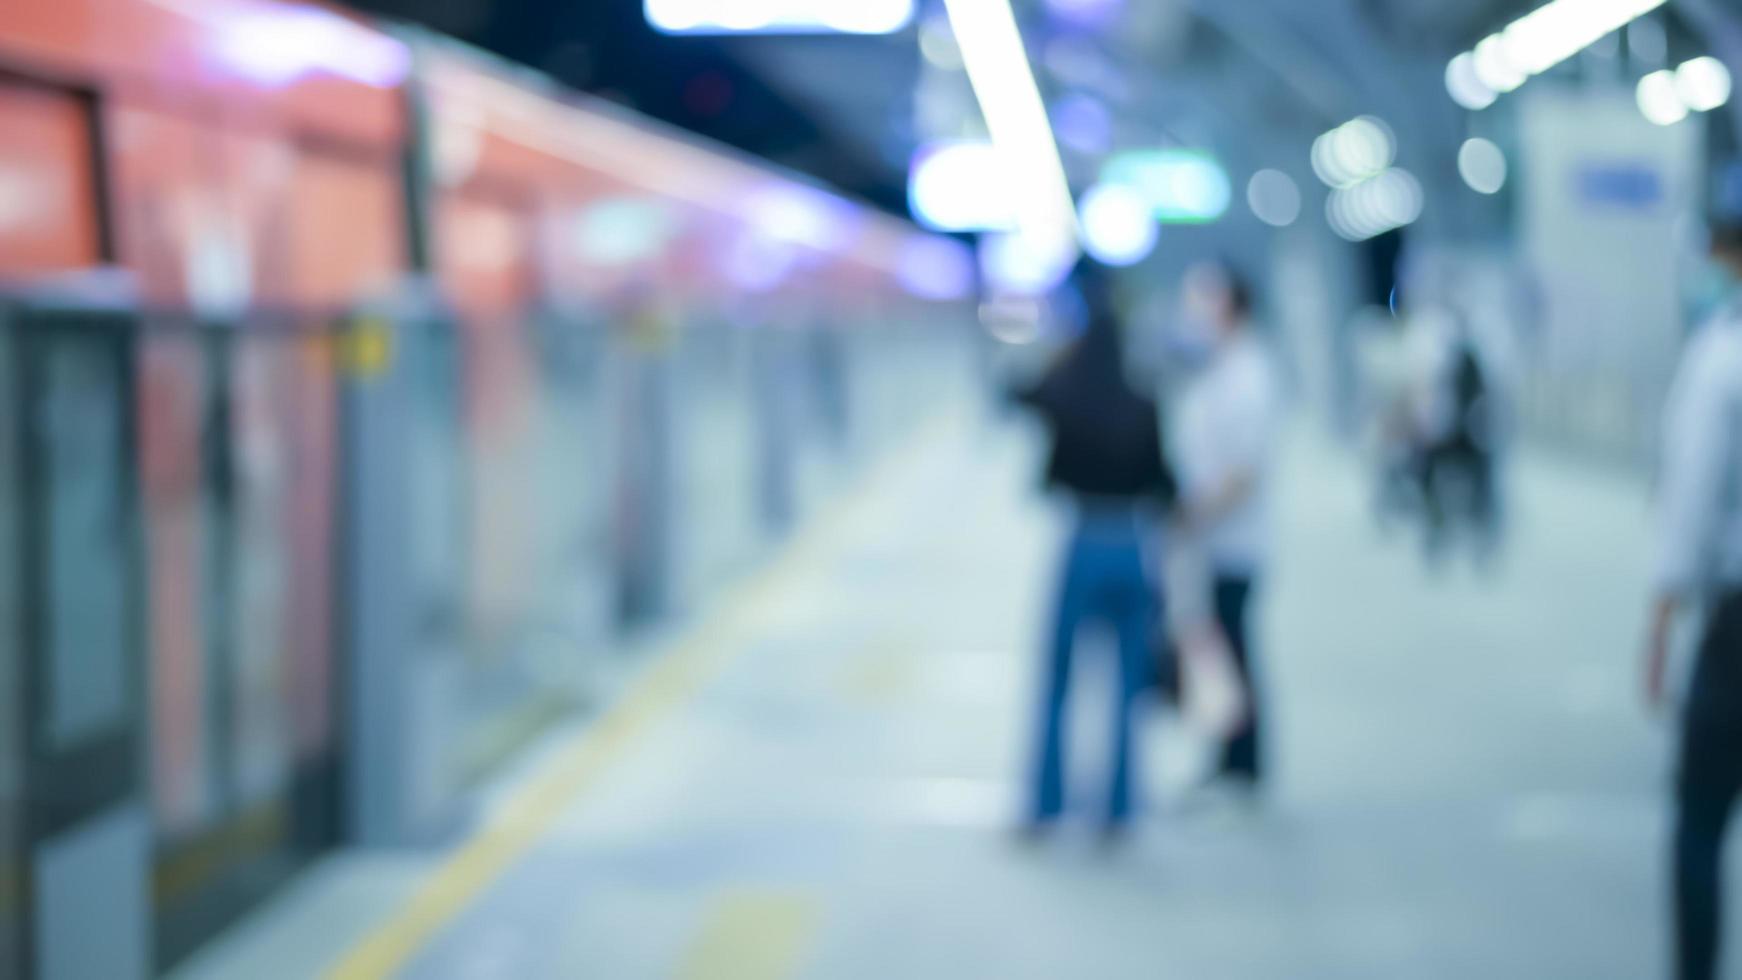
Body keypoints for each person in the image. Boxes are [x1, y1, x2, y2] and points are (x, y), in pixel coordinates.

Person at [1015, 258, 1177, 839]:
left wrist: (1058, 356)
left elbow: (1017, 399)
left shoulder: (1067, 393)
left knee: (1059, 680)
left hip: (1081, 543)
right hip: (1132, 546)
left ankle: (1045, 807)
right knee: (1126, 686)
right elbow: (1166, 485)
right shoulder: (1145, 402)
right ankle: (1118, 811)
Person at [1643, 205, 1742, 980]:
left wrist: (1660, 623)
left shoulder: (1722, 358)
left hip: (1736, 623)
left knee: (1700, 816)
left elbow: (1691, 498)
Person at [1171, 261, 1280, 799]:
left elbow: (1243, 473)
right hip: (1215, 542)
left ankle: (1244, 769)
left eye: (1203, 302)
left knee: (1235, 654)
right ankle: (1227, 760)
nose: (1194, 313)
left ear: (1231, 307)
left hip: (1235, 542)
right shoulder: (1224, 368)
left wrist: (1190, 515)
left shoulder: (1248, 375)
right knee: (1222, 653)